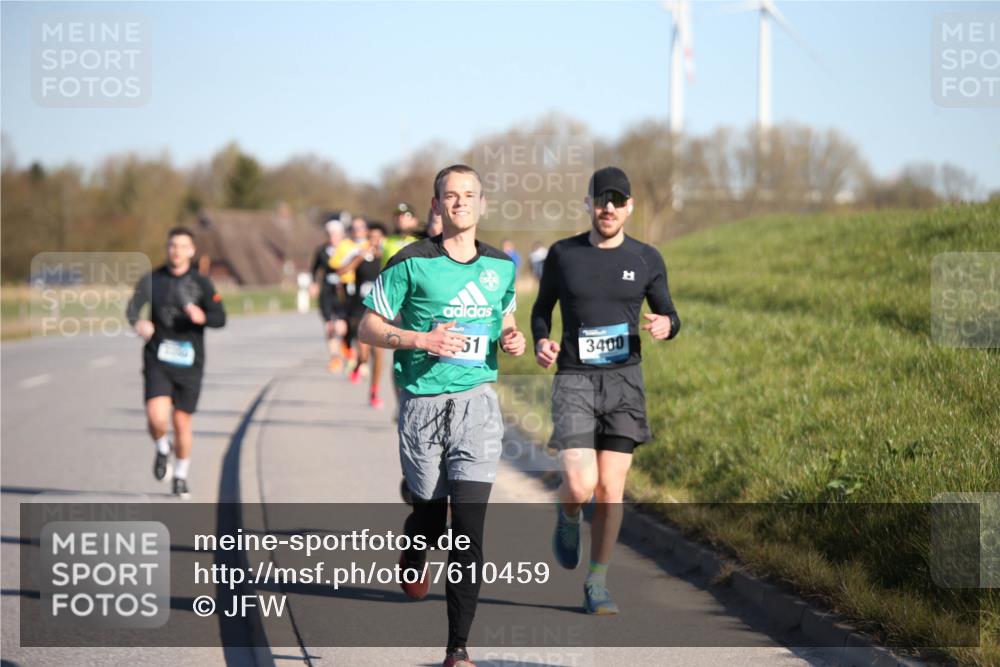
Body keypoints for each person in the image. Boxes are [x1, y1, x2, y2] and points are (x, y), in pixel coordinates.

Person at [359, 164, 524, 667]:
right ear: (436, 205)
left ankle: (458, 649)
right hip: (423, 408)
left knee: (468, 531)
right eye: (450, 196)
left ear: (481, 203)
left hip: (477, 406)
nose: (460, 203)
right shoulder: (411, 262)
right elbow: (368, 327)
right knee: (431, 518)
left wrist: (511, 337)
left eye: (469, 195)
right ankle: (415, 547)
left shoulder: (500, 266)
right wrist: (420, 339)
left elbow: (505, 316)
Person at [530, 166, 681, 615]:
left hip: (624, 383)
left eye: (617, 200)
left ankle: (597, 583)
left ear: (630, 206)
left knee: (611, 490)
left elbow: (671, 314)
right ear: (588, 205)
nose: (608, 208)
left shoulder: (647, 258)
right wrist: (541, 340)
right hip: (574, 379)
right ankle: (568, 513)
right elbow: (541, 310)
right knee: (581, 484)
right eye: (601, 200)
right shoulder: (563, 254)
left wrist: (666, 325)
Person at [126, 226, 227, 499]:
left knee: (182, 423)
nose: (177, 251)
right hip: (157, 356)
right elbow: (132, 308)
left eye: (183, 246)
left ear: (191, 251)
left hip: (190, 361)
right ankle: (162, 447)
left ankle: (180, 476)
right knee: (156, 417)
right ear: (167, 248)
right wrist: (139, 323)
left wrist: (202, 317)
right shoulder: (152, 279)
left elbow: (220, 317)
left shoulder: (202, 283)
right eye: (173, 245)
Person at [341, 220, 388, 408]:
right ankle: (359, 365)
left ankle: (374, 392)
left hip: (380, 309)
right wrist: (359, 257)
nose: (374, 241)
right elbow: (342, 271)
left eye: (378, 238)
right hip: (360, 308)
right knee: (364, 354)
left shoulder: (387, 257)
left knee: (379, 353)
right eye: (371, 237)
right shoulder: (359, 254)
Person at [309, 218, 356, 372]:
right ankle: (335, 358)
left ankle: (345, 348)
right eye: (330, 234)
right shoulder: (322, 250)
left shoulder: (349, 249)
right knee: (329, 326)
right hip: (327, 290)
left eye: (335, 234)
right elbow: (314, 269)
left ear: (341, 234)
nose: (332, 237)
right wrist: (314, 284)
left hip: (344, 289)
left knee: (341, 327)